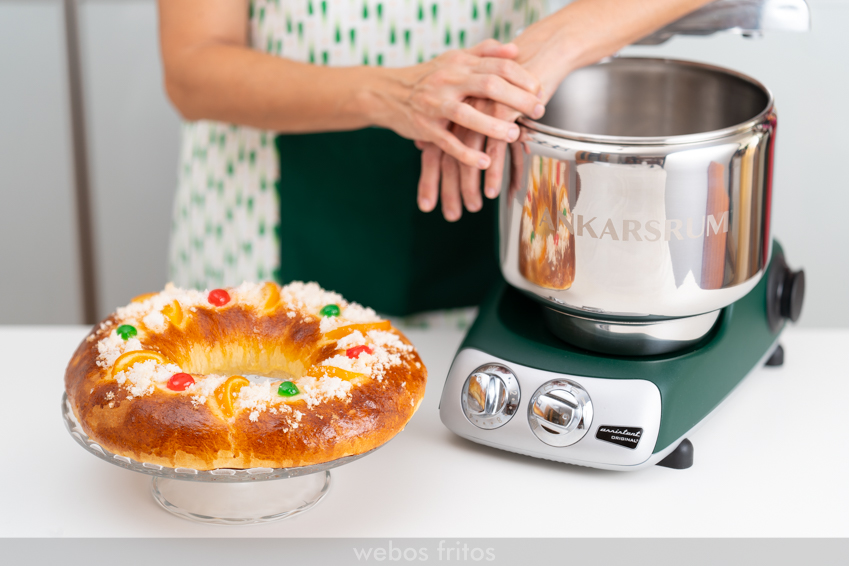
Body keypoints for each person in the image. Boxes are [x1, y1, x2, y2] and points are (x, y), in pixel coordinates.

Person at [161, 0, 712, 316]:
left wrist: (549, 47)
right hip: (264, 223)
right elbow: (192, 68)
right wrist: (390, 94)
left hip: (485, 201)